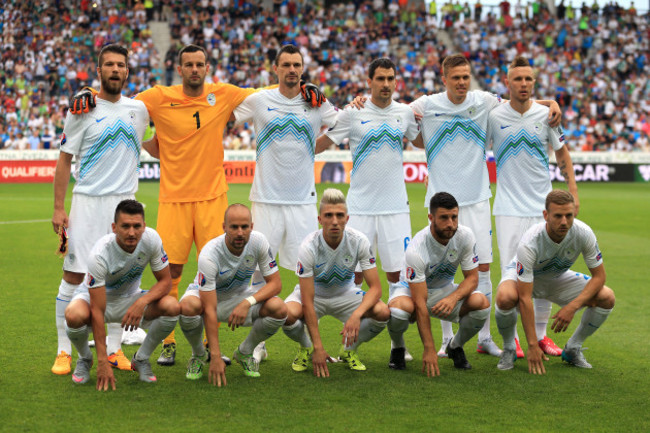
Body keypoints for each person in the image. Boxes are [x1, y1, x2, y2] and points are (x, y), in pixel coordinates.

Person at [70, 44, 323, 366]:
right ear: (180, 68)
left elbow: (269, 92)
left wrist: (303, 87)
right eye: (188, 64)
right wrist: (88, 91)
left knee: (215, 270)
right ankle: (169, 343)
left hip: (212, 199)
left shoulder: (224, 94)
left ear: (207, 67)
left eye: (199, 64)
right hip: (174, 199)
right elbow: (119, 98)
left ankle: (205, 343)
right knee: (171, 272)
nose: (194, 69)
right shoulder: (158, 96)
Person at [410, 53, 561, 358]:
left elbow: (521, 102)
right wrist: (360, 100)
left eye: (466, 76)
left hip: (477, 199)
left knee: (482, 270)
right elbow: (396, 115)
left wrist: (551, 103)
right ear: (444, 79)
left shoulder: (484, 101)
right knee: (440, 272)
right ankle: (446, 338)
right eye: (456, 77)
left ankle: (484, 337)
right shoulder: (426, 105)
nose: (462, 82)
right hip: (440, 202)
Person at [232, 44, 338, 361]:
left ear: (302, 69)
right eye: (286, 64)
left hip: (303, 203)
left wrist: (313, 147)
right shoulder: (259, 100)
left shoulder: (316, 102)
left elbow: (345, 122)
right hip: (265, 200)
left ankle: (309, 345)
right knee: (255, 274)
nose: (292, 69)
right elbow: (223, 116)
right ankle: (257, 346)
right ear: (274, 68)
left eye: (297, 65)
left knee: (310, 273)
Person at [315, 58, 422, 370]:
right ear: (370, 80)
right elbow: (322, 143)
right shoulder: (354, 111)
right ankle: (346, 344)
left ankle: (397, 345)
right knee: (352, 274)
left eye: (391, 78)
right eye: (380, 78)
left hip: (395, 208)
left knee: (396, 278)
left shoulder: (404, 112)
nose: (386, 84)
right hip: (359, 207)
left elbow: (420, 140)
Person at [51, 44, 150, 376]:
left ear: (127, 71)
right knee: (73, 277)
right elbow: (65, 159)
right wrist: (58, 208)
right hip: (88, 204)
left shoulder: (139, 110)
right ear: (99, 71)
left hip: (125, 206)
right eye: (109, 64)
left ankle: (114, 350)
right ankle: (65, 351)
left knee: (122, 281)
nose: (115, 69)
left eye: (121, 65)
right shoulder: (82, 109)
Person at [488, 56, 579, 358]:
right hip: (508, 208)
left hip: (543, 205)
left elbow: (563, 155)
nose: (524, 84)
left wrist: (572, 193)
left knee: (545, 271)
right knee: (511, 272)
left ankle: (541, 336)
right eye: (518, 79)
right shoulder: (493, 115)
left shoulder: (546, 116)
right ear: (508, 82)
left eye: (529, 79)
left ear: (534, 82)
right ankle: (512, 338)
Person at [494, 190, 615, 373]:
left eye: (569, 215)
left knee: (607, 296)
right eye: (558, 216)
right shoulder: (530, 242)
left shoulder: (583, 233)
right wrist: (533, 345)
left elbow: (600, 276)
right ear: (546, 215)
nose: (564, 222)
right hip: (524, 279)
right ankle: (510, 348)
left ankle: (573, 348)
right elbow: (525, 298)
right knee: (505, 297)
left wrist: (572, 307)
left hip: (556, 278)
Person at [64, 200, 180, 389]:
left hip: (130, 298)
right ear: (114, 227)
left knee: (172, 307)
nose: (132, 232)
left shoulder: (151, 239)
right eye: (125, 226)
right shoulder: (100, 254)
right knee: (73, 314)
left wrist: (142, 301)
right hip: (96, 300)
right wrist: (103, 361)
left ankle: (141, 358)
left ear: (144, 226)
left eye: (137, 226)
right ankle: (85, 359)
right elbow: (97, 310)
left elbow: (166, 281)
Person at [282, 189, 390, 376]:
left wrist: (356, 315)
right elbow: (307, 300)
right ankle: (306, 347)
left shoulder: (359, 241)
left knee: (382, 312)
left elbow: (376, 289)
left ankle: (349, 350)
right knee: (286, 314)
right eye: (328, 215)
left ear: (347, 218)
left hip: (346, 294)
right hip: (314, 295)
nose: (334, 221)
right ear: (319, 219)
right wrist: (318, 347)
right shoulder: (308, 247)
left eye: (339, 215)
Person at [177, 204, 287, 384]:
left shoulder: (258, 241)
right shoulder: (209, 254)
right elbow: (210, 309)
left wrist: (247, 303)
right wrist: (216, 355)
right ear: (224, 227)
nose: (240, 232)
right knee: (187, 307)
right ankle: (198, 355)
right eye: (234, 227)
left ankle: (245, 352)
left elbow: (276, 284)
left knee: (279, 308)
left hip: (239, 298)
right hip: (206, 300)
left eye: (244, 227)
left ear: (251, 226)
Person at [404, 192, 490, 374]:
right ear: (431, 218)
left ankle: (455, 346)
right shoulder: (416, 249)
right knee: (397, 311)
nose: (450, 224)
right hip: (414, 293)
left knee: (481, 304)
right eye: (444, 218)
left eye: (454, 217)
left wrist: (453, 298)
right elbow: (420, 302)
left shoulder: (465, 235)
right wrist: (429, 348)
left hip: (443, 292)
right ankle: (397, 348)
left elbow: (473, 278)